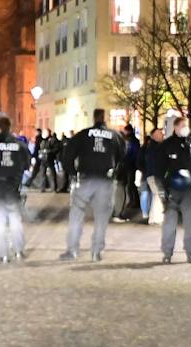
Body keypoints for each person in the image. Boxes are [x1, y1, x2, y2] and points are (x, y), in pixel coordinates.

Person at [60, 108, 125, 261]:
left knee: (76, 214)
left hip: (85, 178)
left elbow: (68, 154)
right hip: (106, 180)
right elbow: (122, 155)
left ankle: (73, 250)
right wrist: (115, 170)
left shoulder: (83, 135)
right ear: (105, 118)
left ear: (93, 118)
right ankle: (97, 251)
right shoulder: (115, 136)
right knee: (102, 217)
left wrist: (72, 172)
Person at [157, 115, 191, 264]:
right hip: (172, 190)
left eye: (186, 126)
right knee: (169, 224)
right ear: (175, 127)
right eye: (182, 126)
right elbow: (160, 169)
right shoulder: (167, 145)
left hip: (190, 190)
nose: (184, 128)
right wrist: (162, 189)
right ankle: (167, 253)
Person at [0, 114, 29, 262]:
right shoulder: (20, 146)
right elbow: (26, 164)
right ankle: (19, 250)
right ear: (10, 127)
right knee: (15, 218)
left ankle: (2, 254)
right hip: (13, 186)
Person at [140, 126, 166, 224]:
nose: (162, 135)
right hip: (155, 175)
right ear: (154, 136)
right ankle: (156, 218)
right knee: (157, 196)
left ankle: (154, 217)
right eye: (160, 133)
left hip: (152, 175)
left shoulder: (151, 147)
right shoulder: (156, 148)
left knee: (156, 196)